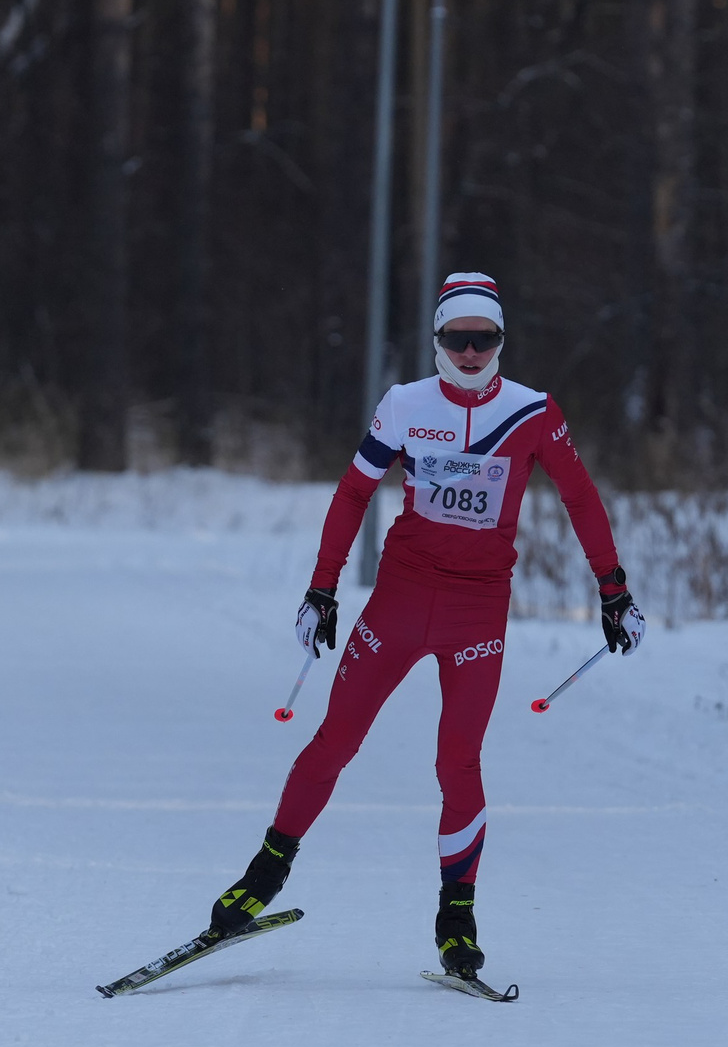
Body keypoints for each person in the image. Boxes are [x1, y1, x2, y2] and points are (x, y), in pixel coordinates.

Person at [203, 272, 645, 979]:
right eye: (456, 338)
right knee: (335, 739)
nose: (470, 352)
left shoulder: (533, 411)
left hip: (477, 609)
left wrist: (614, 590)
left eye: (485, 338)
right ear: (438, 339)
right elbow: (354, 492)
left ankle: (456, 918)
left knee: (457, 761)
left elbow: (580, 496)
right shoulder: (406, 404)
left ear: (501, 340)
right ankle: (266, 871)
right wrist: (322, 587)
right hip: (401, 600)